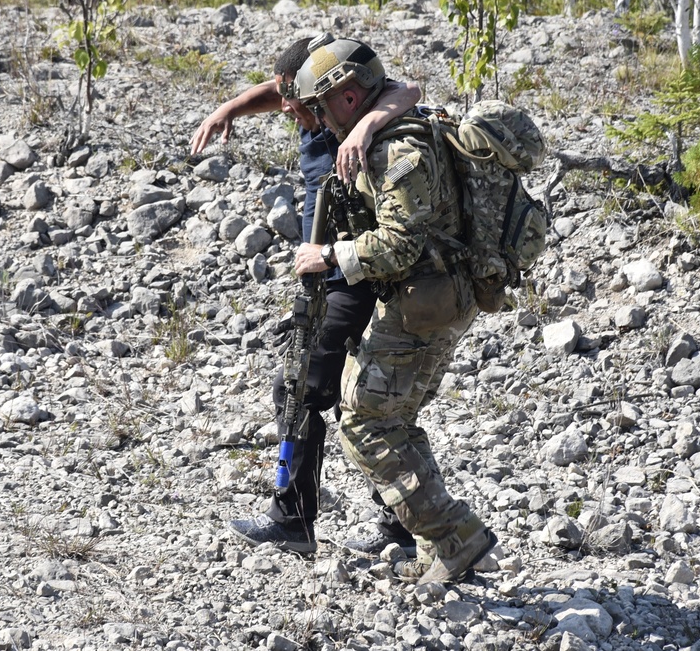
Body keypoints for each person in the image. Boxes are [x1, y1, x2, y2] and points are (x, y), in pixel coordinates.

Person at [191, 39, 422, 556]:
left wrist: (362, 128)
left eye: (297, 107)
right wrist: (228, 108)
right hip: (338, 274)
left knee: (297, 386)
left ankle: (293, 520)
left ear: (324, 95)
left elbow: (408, 89)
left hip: (354, 276)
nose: (291, 115)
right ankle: (400, 524)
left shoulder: (350, 114)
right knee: (354, 396)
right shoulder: (311, 109)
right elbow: (274, 92)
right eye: (289, 105)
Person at [291, 33, 498, 585]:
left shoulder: (393, 150)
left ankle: (457, 536)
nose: (316, 119)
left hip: (420, 307)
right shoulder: (397, 125)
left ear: (349, 99)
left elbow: (400, 244)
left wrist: (328, 254)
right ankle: (442, 545)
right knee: (395, 419)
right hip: (435, 300)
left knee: (363, 423)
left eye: (320, 106)